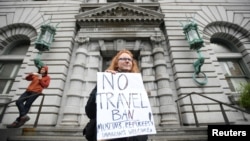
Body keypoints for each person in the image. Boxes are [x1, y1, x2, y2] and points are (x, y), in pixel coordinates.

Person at [84, 49, 148, 141]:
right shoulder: (106, 81)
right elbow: (90, 111)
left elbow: (142, 115)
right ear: (117, 63)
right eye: (123, 59)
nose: (127, 61)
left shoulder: (137, 85)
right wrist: (102, 85)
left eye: (130, 60)